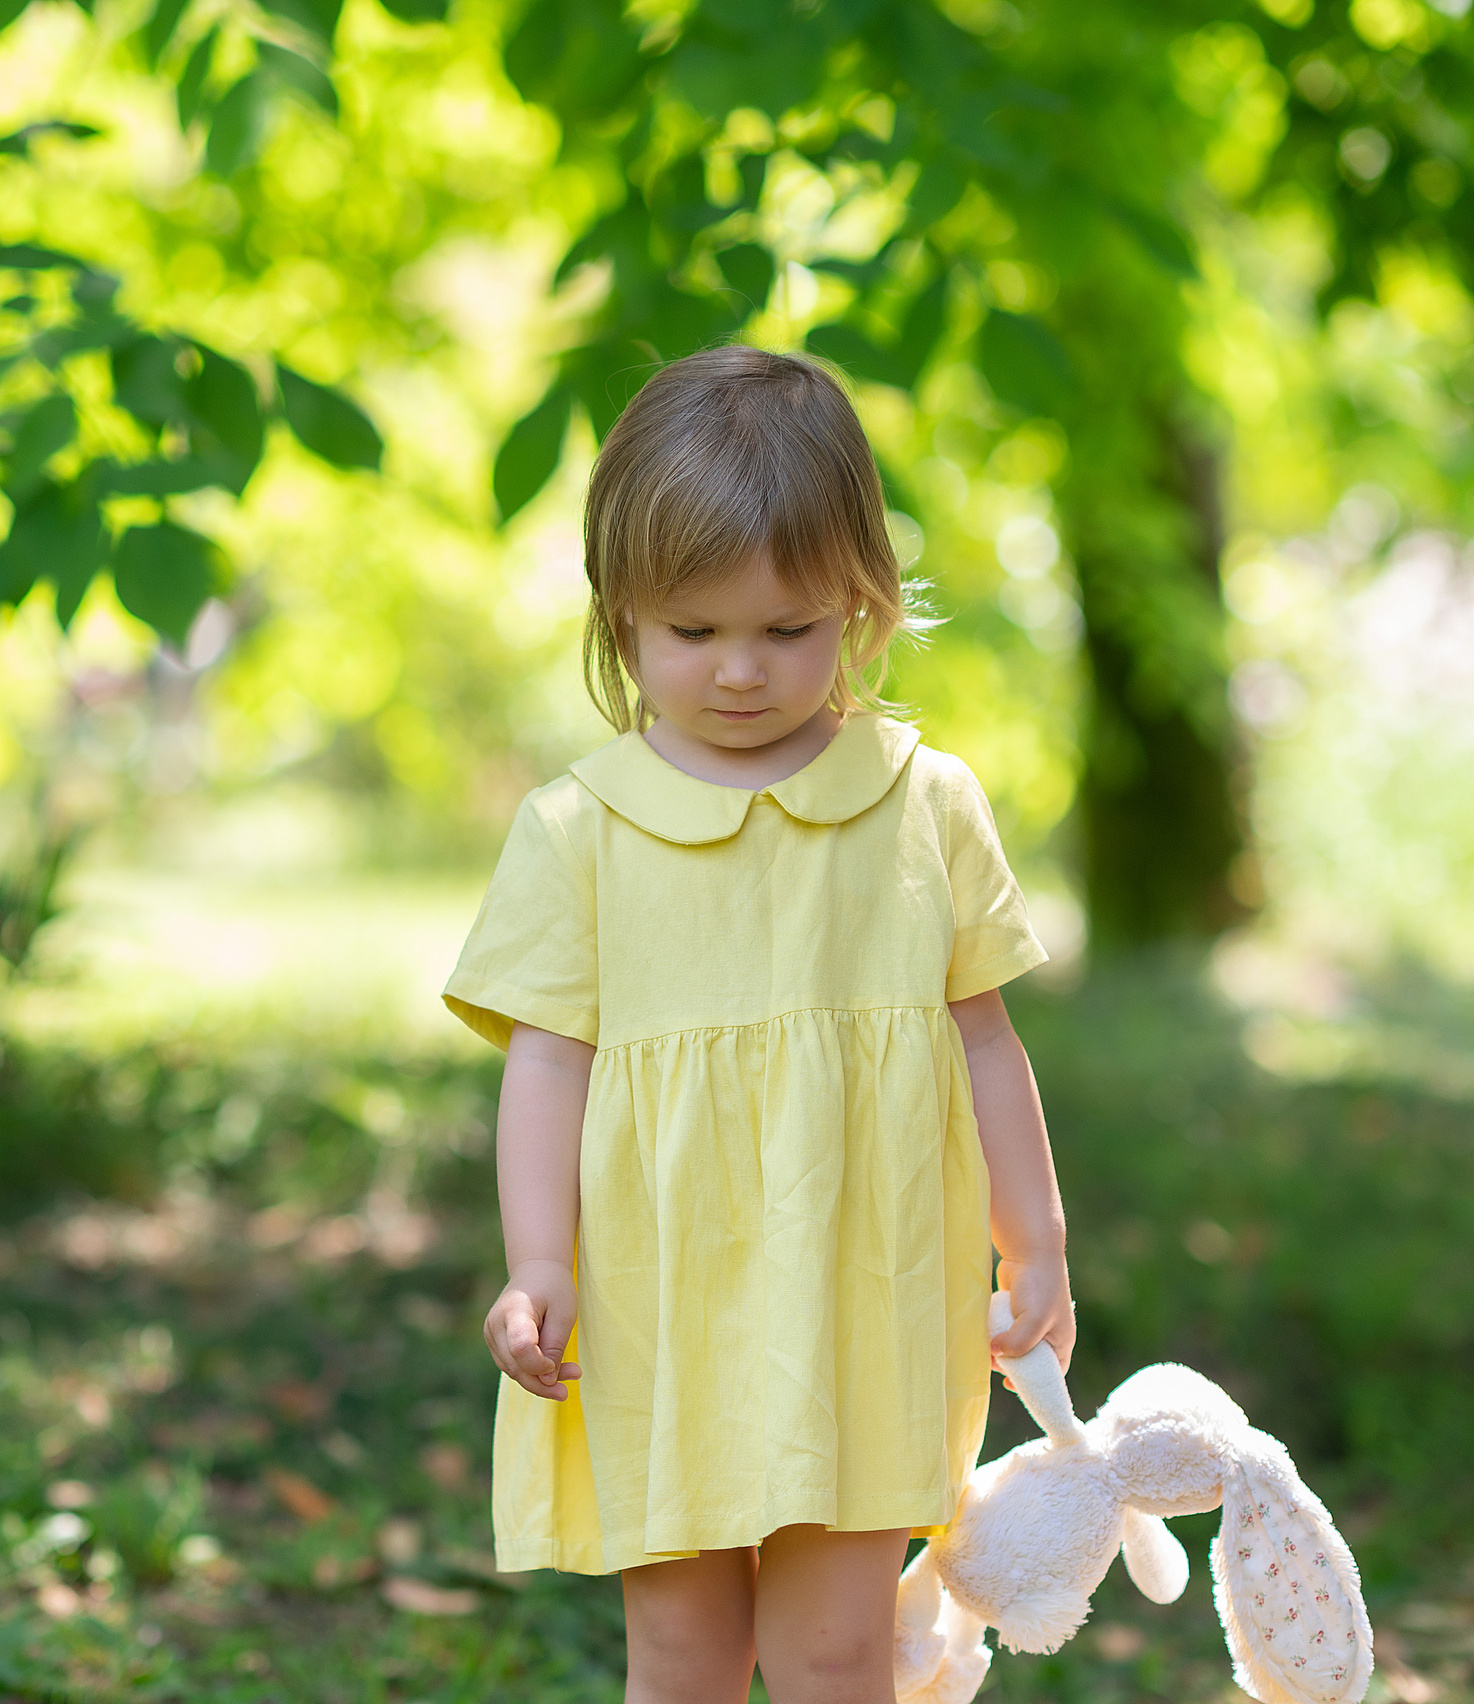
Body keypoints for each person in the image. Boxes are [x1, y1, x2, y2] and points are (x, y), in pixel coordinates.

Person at [441, 345, 1075, 1704]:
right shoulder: (580, 829)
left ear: (862, 602)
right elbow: (548, 1065)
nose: (740, 669)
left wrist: (1037, 1240)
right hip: (660, 1306)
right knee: (682, 1650)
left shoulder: (924, 805)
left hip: (863, 1294)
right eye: (693, 631)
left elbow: (982, 1041)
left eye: (787, 630)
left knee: (838, 1651)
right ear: (622, 620)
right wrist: (535, 1262)